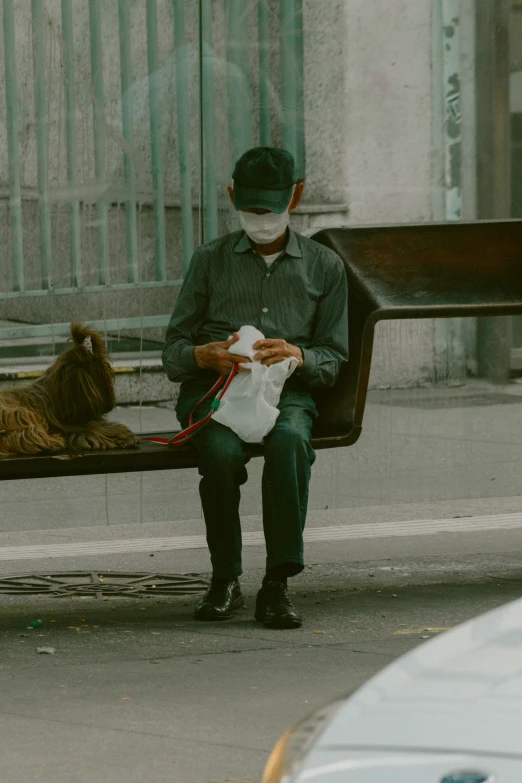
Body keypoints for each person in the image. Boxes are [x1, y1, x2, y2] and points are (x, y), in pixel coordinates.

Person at [162, 146, 348, 629]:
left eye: (271, 206)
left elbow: (333, 357)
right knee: (220, 456)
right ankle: (224, 577)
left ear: (297, 196)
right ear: (231, 197)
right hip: (216, 394)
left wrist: (299, 355)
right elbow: (174, 348)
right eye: (251, 208)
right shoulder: (209, 261)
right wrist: (201, 355)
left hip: (287, 395)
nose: (261, 217)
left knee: (290, 440)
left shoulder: (325, 267)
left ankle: (276, 584)